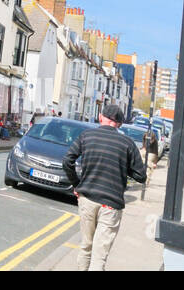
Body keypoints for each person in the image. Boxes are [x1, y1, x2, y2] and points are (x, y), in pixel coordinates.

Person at [63, 102, 147, 271]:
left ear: (101, 117)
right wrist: (122, 167)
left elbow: (67, 161)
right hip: (111, 204)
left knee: (86, 246)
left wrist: (76, 184)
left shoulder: (86, 136)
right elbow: (141, 176)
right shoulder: (128, 144)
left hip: (87, 198)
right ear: (119, 124)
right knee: (99, 256)